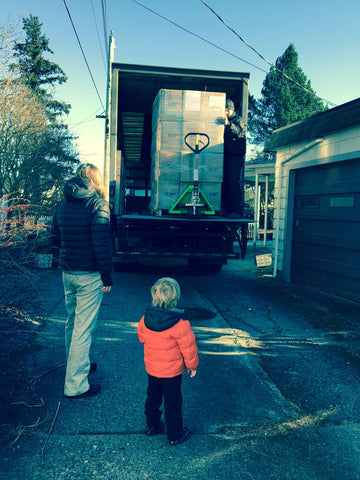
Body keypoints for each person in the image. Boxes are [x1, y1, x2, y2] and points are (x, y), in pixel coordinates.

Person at [51, 163, 113, 399]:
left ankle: (75, 365)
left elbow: (54, 237)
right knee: (82, 329)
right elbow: (101, 244)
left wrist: (62, 259)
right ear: (97, 180)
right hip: (89, 275)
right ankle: (76, 385)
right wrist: (106, 276)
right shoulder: (98, 204)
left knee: (72, 322)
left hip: (67, 272)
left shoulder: (62, 203)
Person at [137, 277, 199, 445]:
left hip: (152, 369)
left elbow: (142, 337)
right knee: (173, 402)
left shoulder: (146, 318)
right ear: (176, 298)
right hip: (172, 372)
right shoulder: (180, 323)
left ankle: (152, 426)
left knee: (152, 398)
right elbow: (189, 347)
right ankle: (175, 434)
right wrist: (192, 366)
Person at [217, 99, 246, 218]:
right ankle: (227, 210)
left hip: (235, 156)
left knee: (232, 182)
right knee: (224, 182)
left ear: (232, 110)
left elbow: (238, 132)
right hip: (225, 154)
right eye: (223, 110)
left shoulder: (238, 120)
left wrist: (227, 124)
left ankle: (237, 211)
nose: (225, 112)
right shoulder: (224, 120)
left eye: (227, 110)